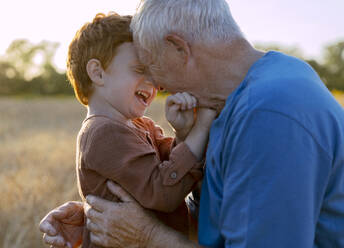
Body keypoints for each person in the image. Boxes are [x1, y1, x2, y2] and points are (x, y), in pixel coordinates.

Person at [40, 0, 344, 247]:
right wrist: (97, 216)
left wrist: (148, 237)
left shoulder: (272, 116)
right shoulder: (238, 99)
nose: (157, 84)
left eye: (152, 66)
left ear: (179, 49)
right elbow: (227, 216)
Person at [63, 12, 215, 248]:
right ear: (98, 72)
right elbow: (163, 192)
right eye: (140, 69)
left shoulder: (138, 125)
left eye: (155, 74)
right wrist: (201, 128)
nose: (153, 83)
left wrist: (183, 133)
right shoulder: (103, 133)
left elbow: (170, 167)